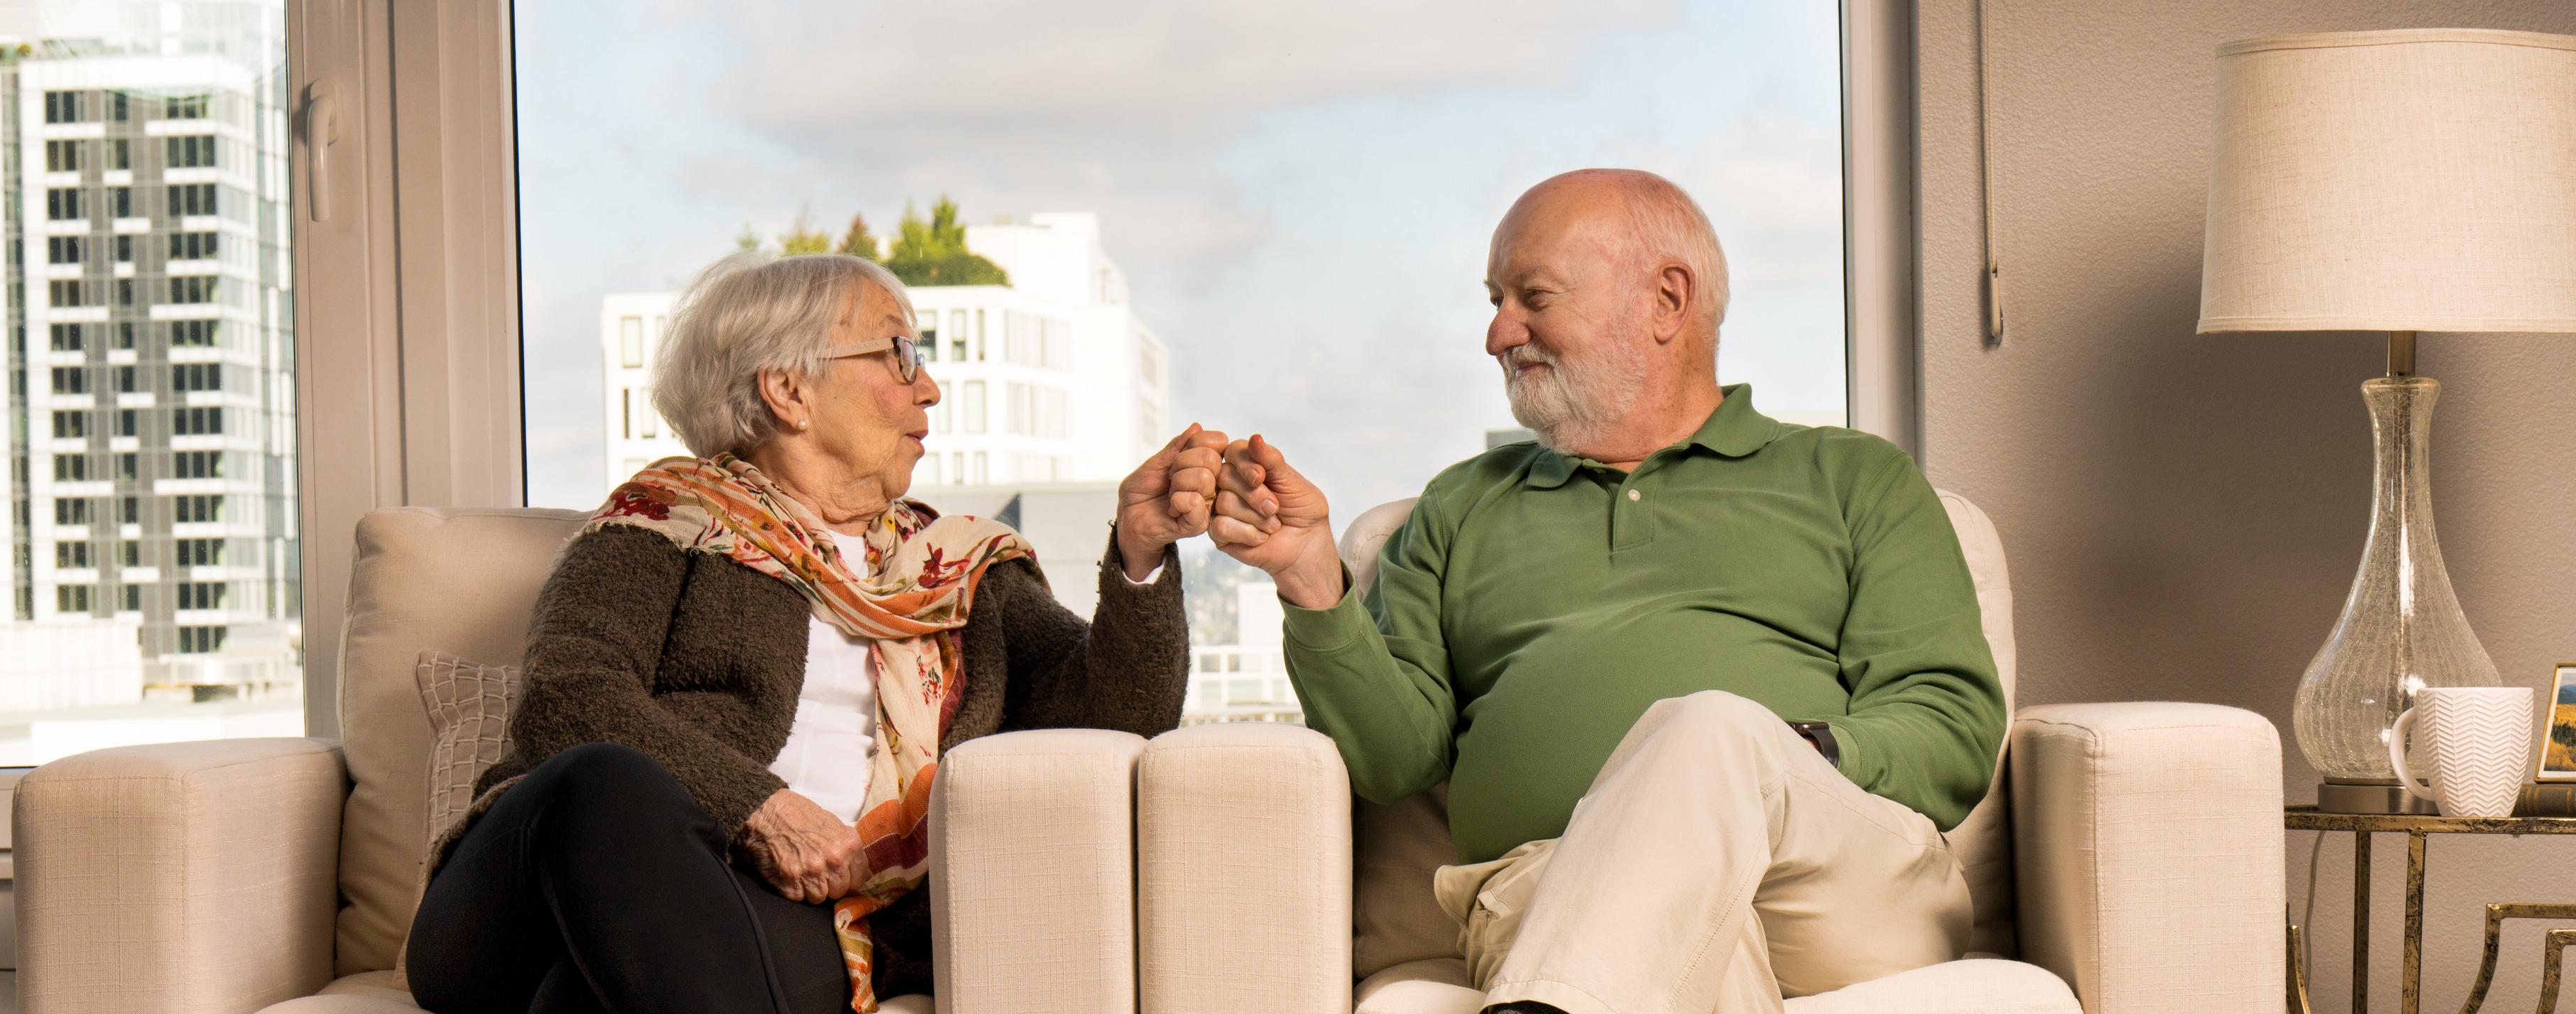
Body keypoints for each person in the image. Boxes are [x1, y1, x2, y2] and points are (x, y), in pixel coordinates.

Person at [1207, 169, 2005, 1014]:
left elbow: (1950, 726)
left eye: (1532, 297)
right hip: (1552, 883)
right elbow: (1393, 759)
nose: (1498, 333)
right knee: (1678, 947)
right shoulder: (1461, 505)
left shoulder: (1853, 479)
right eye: (1495, 299)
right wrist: (1308, 576)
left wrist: (1770, 761)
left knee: (1710, 727)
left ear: (1667, 300)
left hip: (1836, 884)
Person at [405, 251, 1220, 1014]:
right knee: (602, 782)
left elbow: (1121, 718)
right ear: (788, 390)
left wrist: (1142, 554)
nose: (928, 388)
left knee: (598, 991)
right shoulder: (660, 524)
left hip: (803, 920)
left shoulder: (959, 567)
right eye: (899, 353)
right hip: (529, 900)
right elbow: (567, 698)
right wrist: (759, 807)